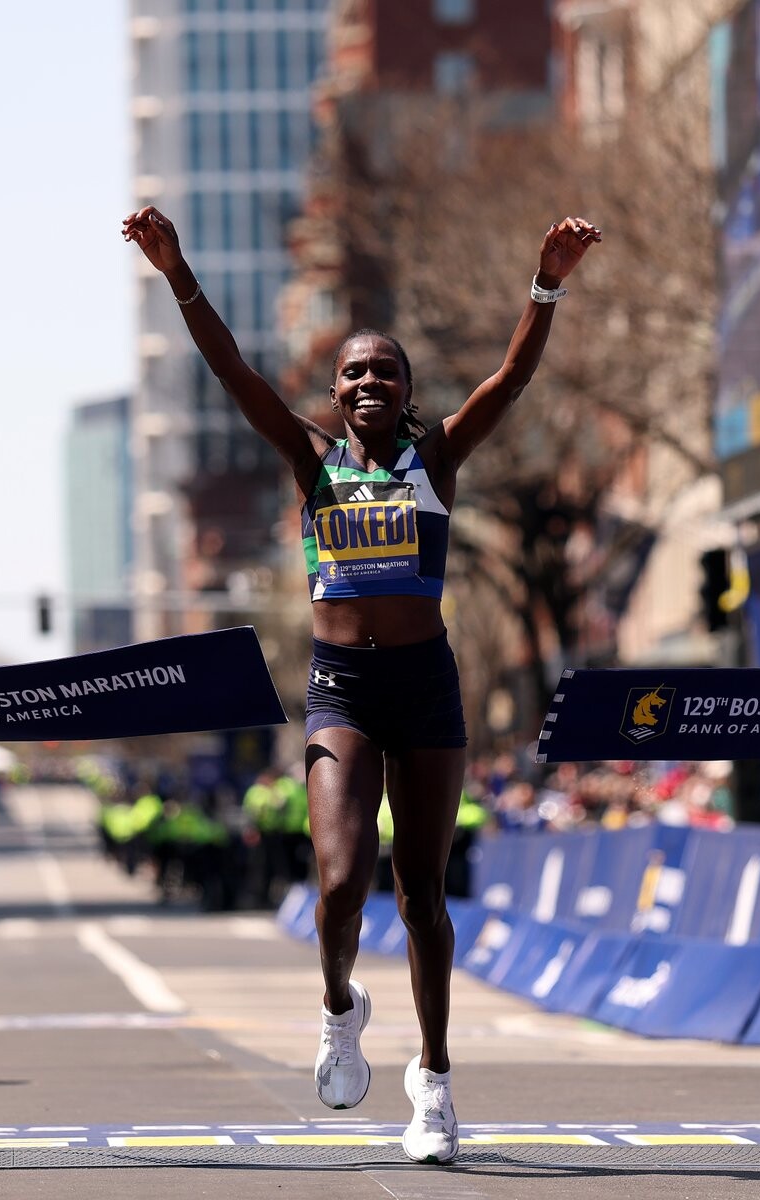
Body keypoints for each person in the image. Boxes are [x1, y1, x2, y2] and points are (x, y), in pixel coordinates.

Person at [123, 204, 599, 1164]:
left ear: (408, 389)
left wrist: (546, 284)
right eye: (353, 372)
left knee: (422, 895)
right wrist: (177, 274)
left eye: (385, 370)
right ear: (335, 393)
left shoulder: (438, 458)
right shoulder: (311, 461)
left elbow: (511, 378)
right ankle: (340, 1010)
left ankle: (435, 1082)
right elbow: (234, 373)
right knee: (340, 884)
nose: (369, 381)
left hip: (426, 688)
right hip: (340, 688)